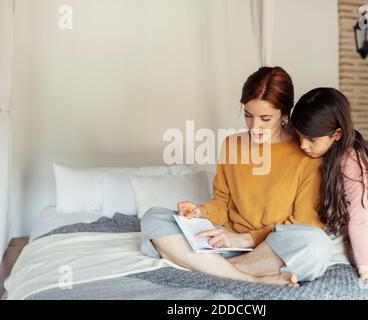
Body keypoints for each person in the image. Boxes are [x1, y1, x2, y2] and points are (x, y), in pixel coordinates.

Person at [140, 67, 332, 287]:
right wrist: (201, 211)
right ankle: (244, 277)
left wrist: (247, 238)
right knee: (154, 217)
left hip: (272, 249)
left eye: (265, 118)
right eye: (248, 116)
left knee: (318, 245)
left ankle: (206, 267)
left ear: (285, 114)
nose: (254, 127)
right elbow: (222, 203)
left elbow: (303, 223)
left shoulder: (307, 153)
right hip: (227, 244)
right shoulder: (232, 145)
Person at [290, 87, 368, 281]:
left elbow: (358, 218)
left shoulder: (351, 163)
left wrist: (366, 274)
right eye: (300, 136)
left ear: (337, 134)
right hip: (352, 205)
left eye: (311, 139)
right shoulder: (331, 149)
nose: (302, 145)